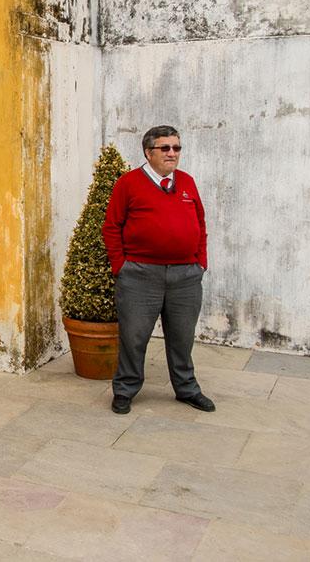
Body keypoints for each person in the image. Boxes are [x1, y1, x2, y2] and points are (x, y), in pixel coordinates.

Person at [101, 125, 214, 414]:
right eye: (165, 148)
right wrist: (121, 267)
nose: (172, 153)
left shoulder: (187, 182)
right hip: (140, 276)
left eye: (176, 147)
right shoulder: (128, 183)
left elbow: (200, 223)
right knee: (133, 336)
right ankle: (125, 390)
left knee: (182, 337)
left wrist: (200, 261)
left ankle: (187, 389)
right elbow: (112, 226)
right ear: (148, 152)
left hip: (185, 277)